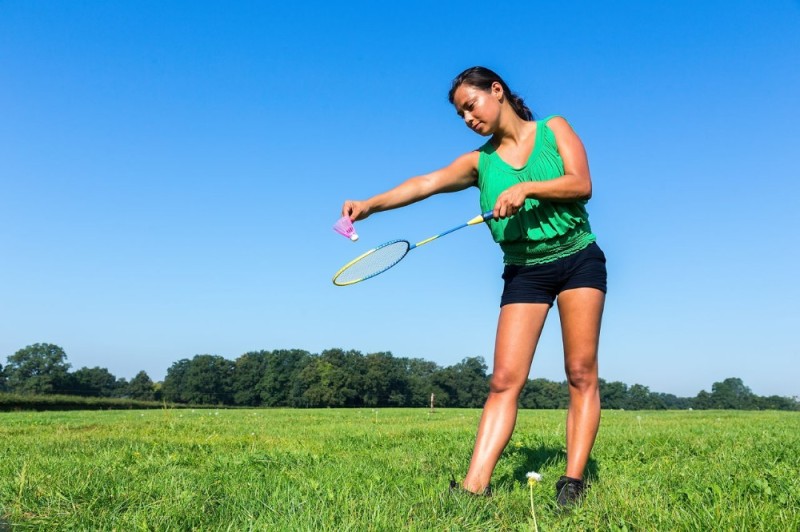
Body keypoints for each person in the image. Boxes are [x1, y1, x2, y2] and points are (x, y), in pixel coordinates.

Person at [341, 66, 606, 508]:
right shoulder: (479, 162)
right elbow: (425, 183)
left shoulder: (554, 129)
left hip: (577, 257)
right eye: (461, 113)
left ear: (497, 92)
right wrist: (371, 205)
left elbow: (582, 184)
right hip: (524, 270)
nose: (468, 117)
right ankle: (474, 487)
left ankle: (573, 480)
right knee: (503, 380)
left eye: (472, 105)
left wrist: (528, 188)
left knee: (580, 373)